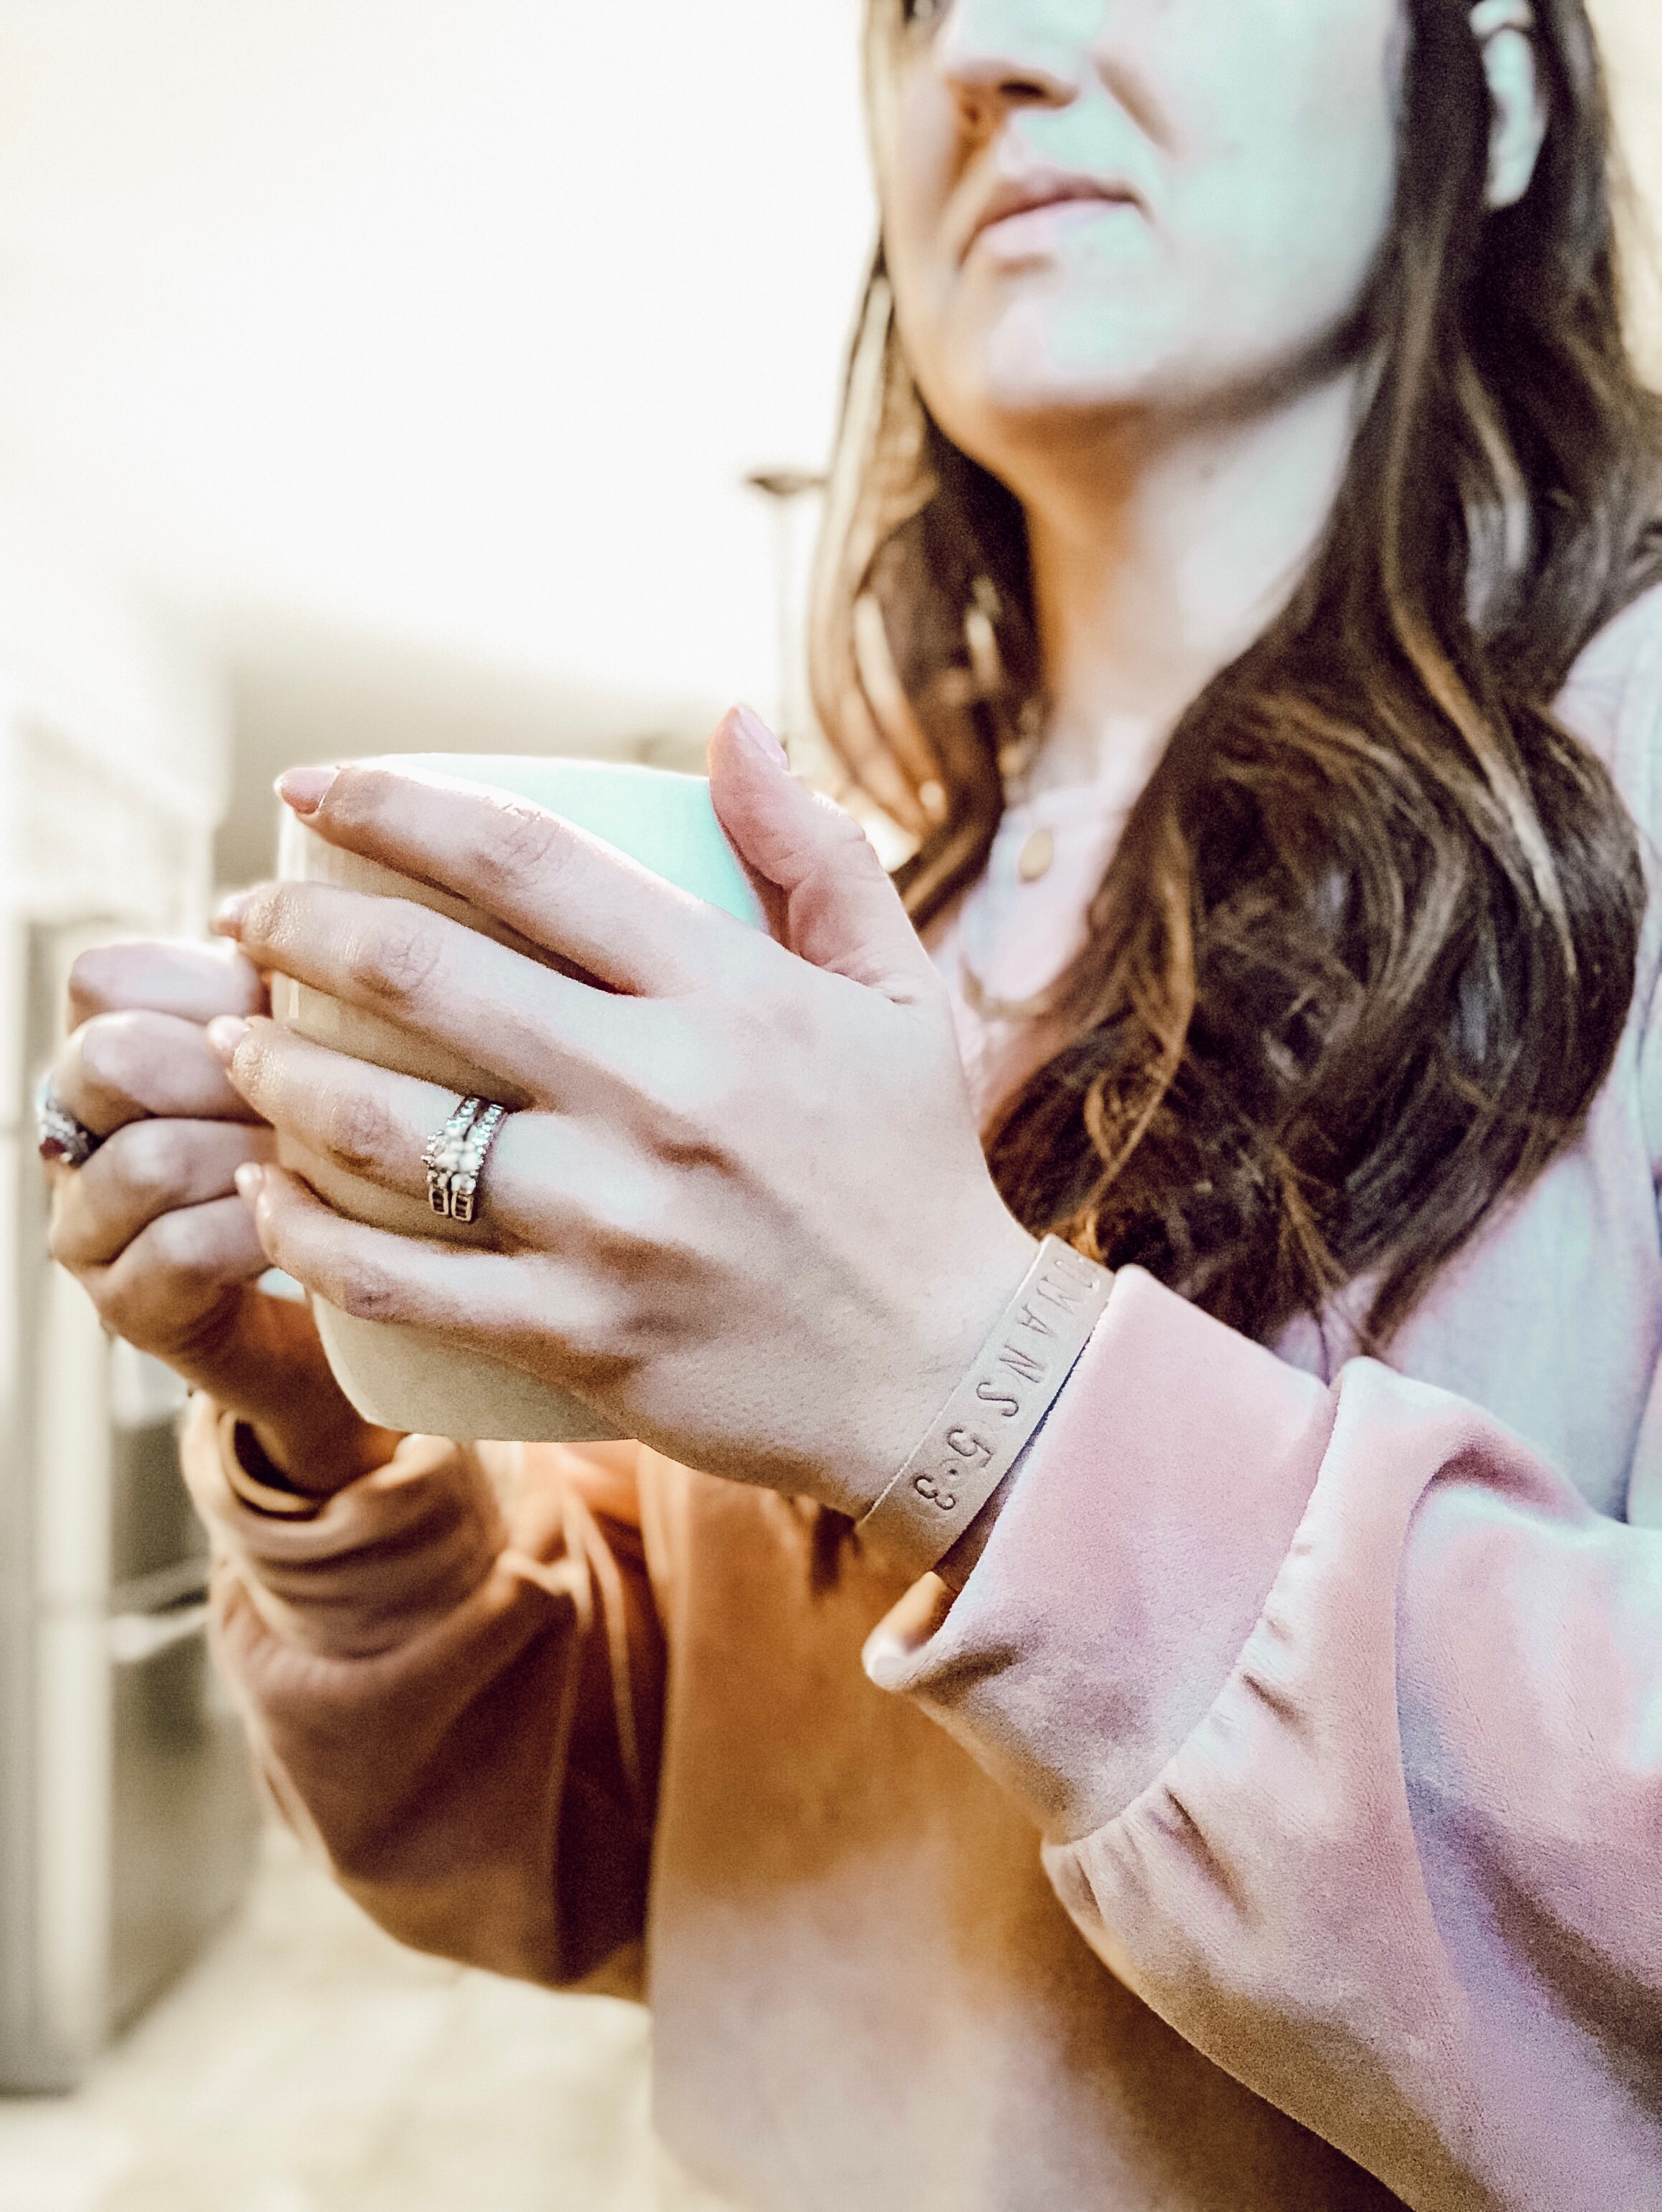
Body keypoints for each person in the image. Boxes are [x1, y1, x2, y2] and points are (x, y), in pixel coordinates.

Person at [40, 0, 1662, 2203]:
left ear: (1506, 88)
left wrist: (968, 1394)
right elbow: (627, 1857)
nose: (982, 46)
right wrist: (328, 1427)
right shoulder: (879, 884)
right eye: (910, 0)